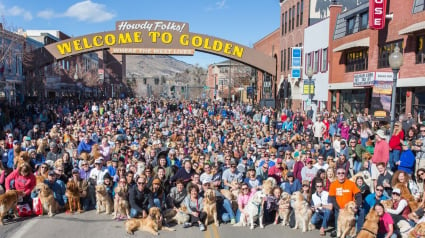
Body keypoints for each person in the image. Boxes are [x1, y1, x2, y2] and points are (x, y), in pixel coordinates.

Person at [328, 168, 362, 237]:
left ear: (345, 174)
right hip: (339, 209)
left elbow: (358, 195)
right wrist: (338, 208)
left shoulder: (351, 183)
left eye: (343, 173)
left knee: (351, 223)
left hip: (350, 209)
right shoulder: (333, 184)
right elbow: (332, 198)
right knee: (339, 226)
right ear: (336, 175)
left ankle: (358, 232)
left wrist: (357, 206)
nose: (341, 174)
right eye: (339, 173)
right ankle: (338, 231)